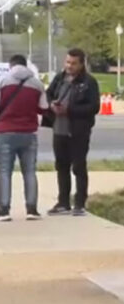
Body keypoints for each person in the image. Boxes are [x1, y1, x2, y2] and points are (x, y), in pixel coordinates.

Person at [0, 55, 49, 221]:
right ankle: (32, 209)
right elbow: (44, 107)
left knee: (5, 172)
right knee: (29, 171)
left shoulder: (2, 81)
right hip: (29, 132)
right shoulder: (37, 84)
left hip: (6, 132)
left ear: (10, 65)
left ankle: (4, 209)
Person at [43, 48, 100, 217]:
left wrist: (70, 110)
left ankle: (80, 203)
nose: (69, 66)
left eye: (74, 63)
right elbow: (47, 94)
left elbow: (94, 107)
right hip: (59, 129)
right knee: (61, 166)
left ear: (82, 64)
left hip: (78, 131)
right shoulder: (60, 78)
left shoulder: (89, 82)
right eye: (68, 62)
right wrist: (51, 105)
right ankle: (63, 202)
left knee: (78, 166)